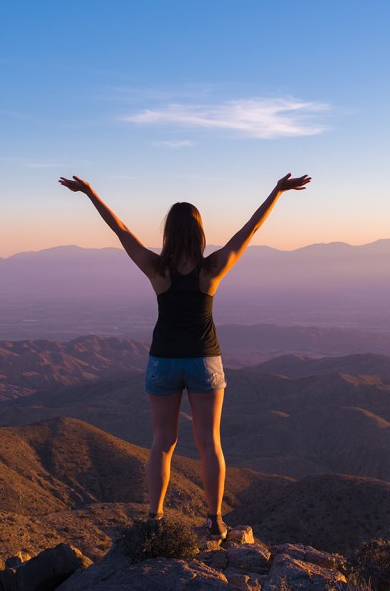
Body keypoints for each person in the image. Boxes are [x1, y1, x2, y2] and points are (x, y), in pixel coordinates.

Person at [58, 172, 312, 540]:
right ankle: (214, 519)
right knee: (210, 441)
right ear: (198, 232)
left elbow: (122, 231)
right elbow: (249, 231)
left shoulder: (157, 270)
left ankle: (155, 518)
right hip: (204, 360)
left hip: (163, 361)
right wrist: (277, 192)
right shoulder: (212, 270)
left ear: (169, 233)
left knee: (163, 442)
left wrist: (90, 193)